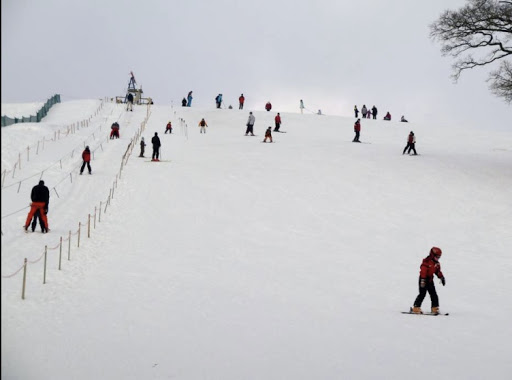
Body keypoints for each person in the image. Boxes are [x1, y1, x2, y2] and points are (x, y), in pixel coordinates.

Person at [411, 247, 446, 314]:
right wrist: (423, 280)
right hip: (423, 279)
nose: (437, 259)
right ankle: (416, 307)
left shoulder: (437, 264)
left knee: (433, 294)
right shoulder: (426, 262)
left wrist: (441, 277)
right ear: (432, 255)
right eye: (436, 257)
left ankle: (435, 308)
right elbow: (423, 272)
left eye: (439, 257)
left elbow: (438, 272)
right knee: (422, 294)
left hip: (430, 280)